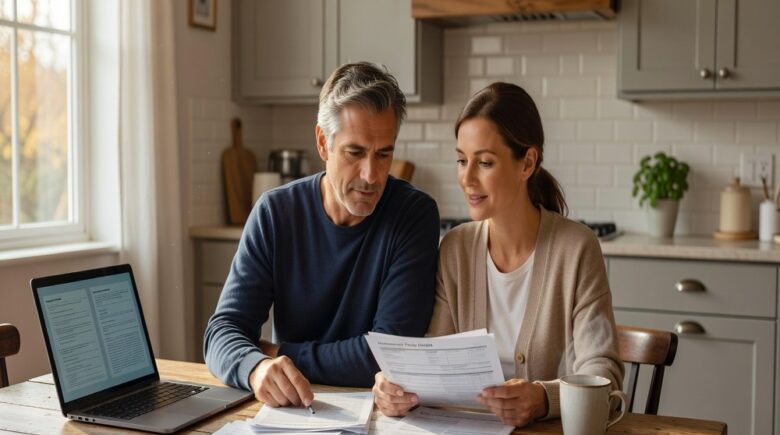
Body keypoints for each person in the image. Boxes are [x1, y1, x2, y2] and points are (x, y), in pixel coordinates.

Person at [372, 82, 624, 427]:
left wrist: (541, 399)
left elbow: (603, 374)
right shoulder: (455, 248)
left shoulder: (577, 248)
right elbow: (433, 363)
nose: (467, 178)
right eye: (462, 161)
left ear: (527, 163)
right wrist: (396, 388)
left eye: (485, 162)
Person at [204, 62, 440, 409]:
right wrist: (256, 367)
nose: (371, 175)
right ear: (322, 143)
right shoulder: (275, 213)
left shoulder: (413, 215)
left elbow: (389, 354)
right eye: (355, 152)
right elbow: (222, 332)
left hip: (379, 414)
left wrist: (280, 353)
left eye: (384, 154)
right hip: (292, 411)